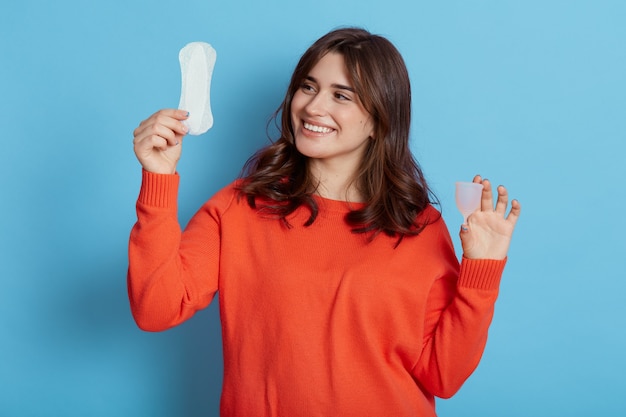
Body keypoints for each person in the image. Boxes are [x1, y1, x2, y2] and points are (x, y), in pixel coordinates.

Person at [128, 27, 521, 417]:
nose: (314, 107)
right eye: (308, 87)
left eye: (341, 96)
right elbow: (155, 308)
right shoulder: (240, 207)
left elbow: (442, 376)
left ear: (378, 120)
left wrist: (480, 274)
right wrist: (159, 180)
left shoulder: (418, 227)